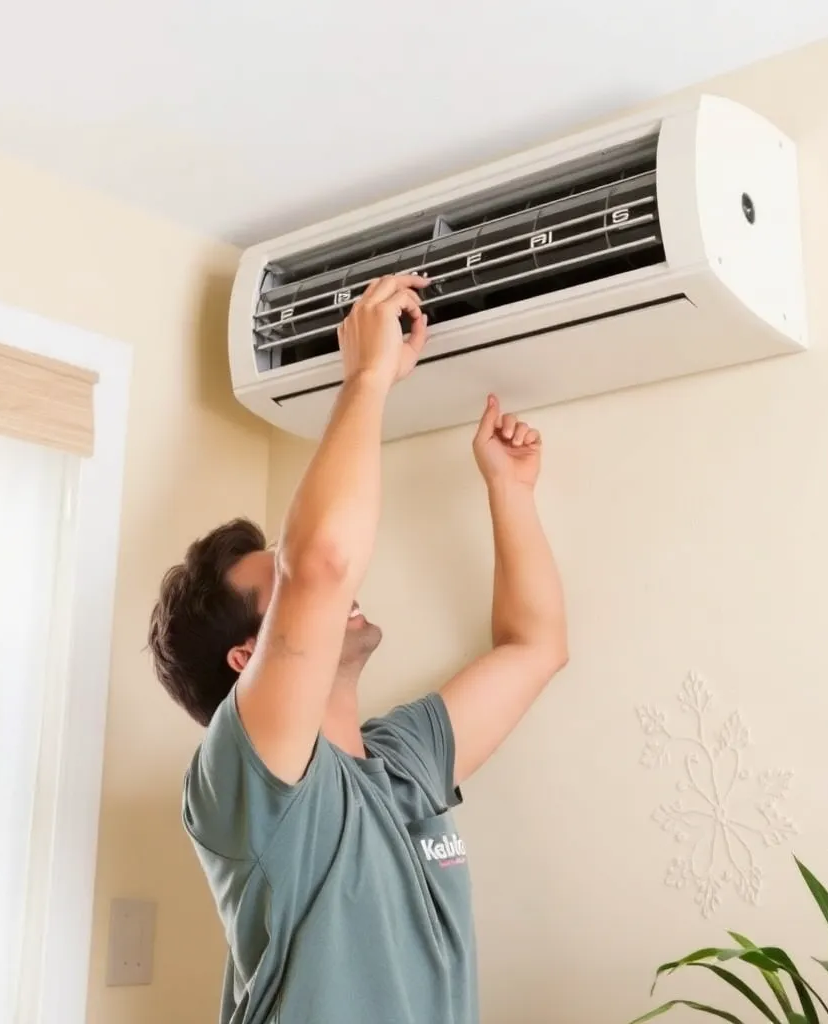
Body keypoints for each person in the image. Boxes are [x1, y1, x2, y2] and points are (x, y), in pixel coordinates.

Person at [147, 274, 568, 1024]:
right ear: (247, 658)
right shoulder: (240, 776)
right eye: (281, 585)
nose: (321, 589)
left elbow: (535, 646)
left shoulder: (403, 760)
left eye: (291, 573)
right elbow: (321, 562)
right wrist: (368, 377)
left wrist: (510, 491)